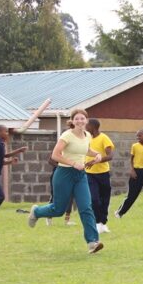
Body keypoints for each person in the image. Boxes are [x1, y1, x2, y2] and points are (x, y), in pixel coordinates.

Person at [27, 108, 104, 254]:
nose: (80, 121)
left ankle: (93, 242)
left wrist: (97, 154)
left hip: (80, 175)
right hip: (64, 174)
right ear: (72, 121)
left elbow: (85, 150)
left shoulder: (87, 135)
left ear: (86, 120)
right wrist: (73, 163)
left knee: (86, 207)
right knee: (59, 209)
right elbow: (55, 155)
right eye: (77, 119)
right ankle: (36, 212)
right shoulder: (67, 135)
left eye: (82, 118)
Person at [114, 129, 143, 218]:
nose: (138, 137)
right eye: (137, 136)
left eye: (140, 135)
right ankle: (119, 213)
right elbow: (131, 159)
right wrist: (132, 170)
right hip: (136, 173)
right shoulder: (135, 146)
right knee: (132, 196)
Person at [85, 118, 115, 233]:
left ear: (93, 127)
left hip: (103, 173)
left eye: (87, 125)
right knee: (94, 199)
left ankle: (103, 223)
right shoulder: (86, 138)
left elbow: (110, 156)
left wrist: (96, 161)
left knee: (105, 199)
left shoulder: (104, 138)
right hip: (89, 174)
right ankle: (97, 222)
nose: (85, 127)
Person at [45, 154, 76, 226]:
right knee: (55, 196)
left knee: (70, 196)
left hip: (69, 176)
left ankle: (67, 220)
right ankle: (49, 218)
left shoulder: (74, 152)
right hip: (57, 176)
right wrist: (61, 167)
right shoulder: (60, 149)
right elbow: (50, 161)